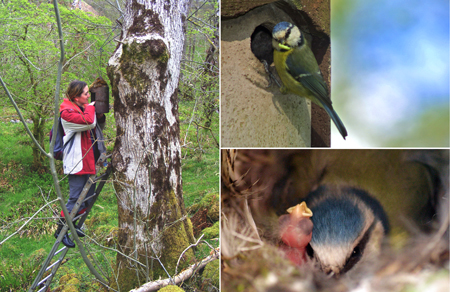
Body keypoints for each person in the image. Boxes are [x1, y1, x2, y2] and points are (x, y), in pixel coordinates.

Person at [54, 80, 106, 248]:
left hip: (89, 160)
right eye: (85, 93)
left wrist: (98, 112)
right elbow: (88, 123)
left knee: (88, 197)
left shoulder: (81, 109)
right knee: (75, 197)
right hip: (77, 162)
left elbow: (96, 125)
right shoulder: (66, 113)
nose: (88, 96)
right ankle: (61, 230)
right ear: (76, 97)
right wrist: (92, 107)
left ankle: (73, 224)